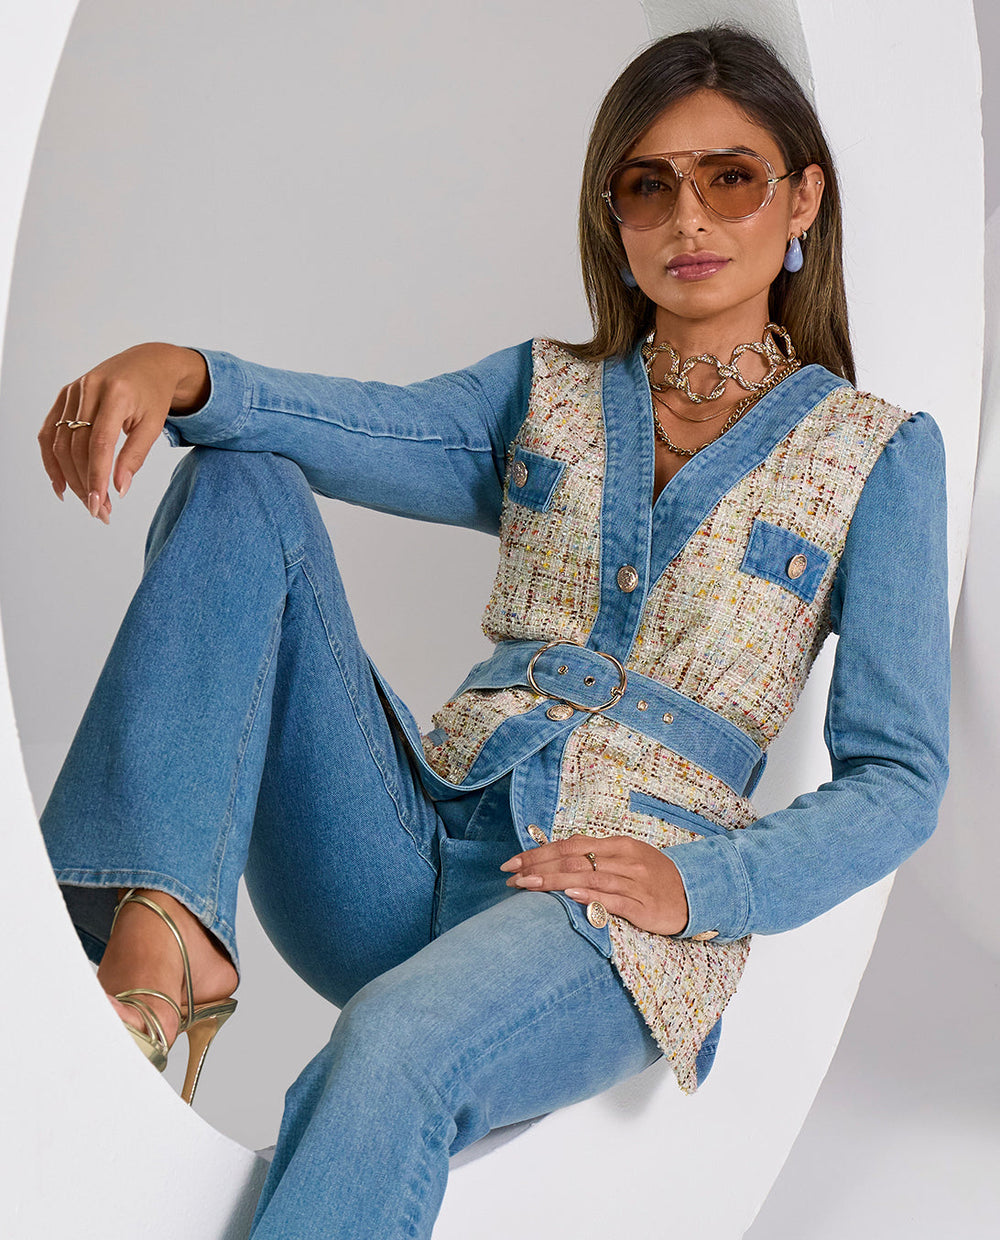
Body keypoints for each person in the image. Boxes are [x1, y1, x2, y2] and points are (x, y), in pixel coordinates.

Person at [35, 24, 949, 1240]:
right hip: (406, 839)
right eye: (648, 184)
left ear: (801, 203)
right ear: (613, 222)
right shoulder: (545, 392)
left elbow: (900, 777)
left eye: (729, 177)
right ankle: (161, 940)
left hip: (604, 920)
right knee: (241, 478)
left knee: (392, 1053)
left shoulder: (877, 453)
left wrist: (703, 880)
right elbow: (362, 427)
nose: (689, 218)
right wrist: (186, 370)